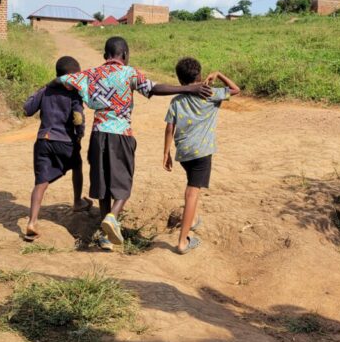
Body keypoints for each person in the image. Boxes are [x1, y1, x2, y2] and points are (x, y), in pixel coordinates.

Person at [54, 37, 213, 251]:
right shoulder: (129, 73)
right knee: (123, 183)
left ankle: (106, 236)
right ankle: (113, 217)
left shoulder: (90, 74)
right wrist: (187, 89)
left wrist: (45, 88)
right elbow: (154, 88)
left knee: (103, 185)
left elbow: (63, 79)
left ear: (105, 56)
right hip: (121, 135)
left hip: (98, 134)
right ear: (126, 55)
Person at [162, 57, 240, 254]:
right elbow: (236, 90)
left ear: (180, 80)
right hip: (203, 153)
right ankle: (183, 241)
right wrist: (219, 74)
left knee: (191, 183)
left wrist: (166, 152)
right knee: (192, 192)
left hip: (184, 152)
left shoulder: (176, 100)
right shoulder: (211, 94)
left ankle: (193, 220)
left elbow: (169, 127)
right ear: (200, 75)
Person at [22, 56, 92, 242]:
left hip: (43, 140)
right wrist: (79, 136)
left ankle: (32, 221)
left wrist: (44, 87)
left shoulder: (46, 90)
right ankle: (77, 201)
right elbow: (78, 118)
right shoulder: (74, 94)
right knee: (77, 165)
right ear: (71, 77)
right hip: (65, 141)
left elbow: (27, 109)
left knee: (41, 182)